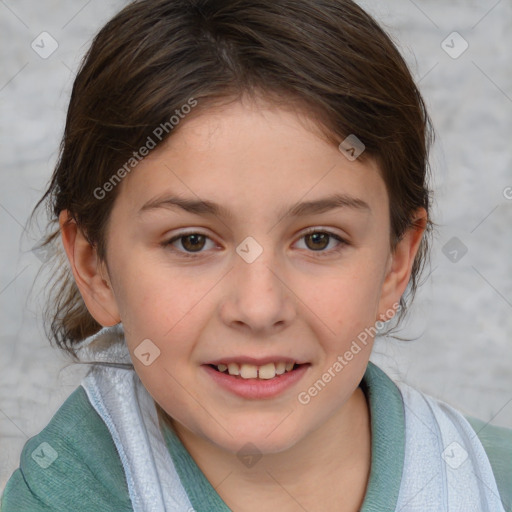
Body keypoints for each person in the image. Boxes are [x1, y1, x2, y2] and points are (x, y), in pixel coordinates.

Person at [1, 0, 511, 510]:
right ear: (97, 269)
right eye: (192, 241)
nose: (260, 307)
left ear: (394, 264)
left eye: (318, 239)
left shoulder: (490, 483)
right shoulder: (55, 496)